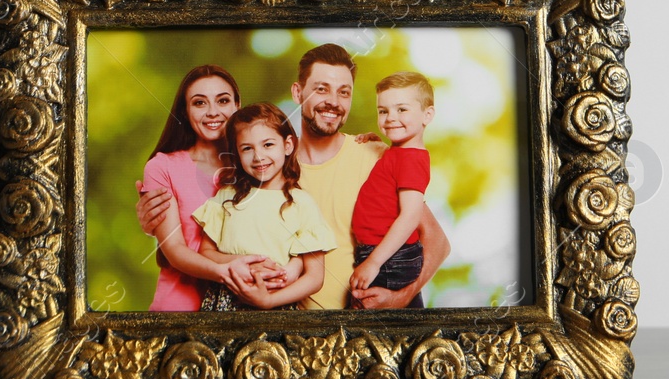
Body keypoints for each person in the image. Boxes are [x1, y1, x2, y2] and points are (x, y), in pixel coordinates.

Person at [137, 42, 449, 308]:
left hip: (356, 322)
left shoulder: (375, 156)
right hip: (292, 330)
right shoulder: (268, 167)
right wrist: (153, 226)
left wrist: (401, 298)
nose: (333, 102)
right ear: (298, 92)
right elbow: (219, 227)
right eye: (321, 89)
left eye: (344, 92)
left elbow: (435, 241)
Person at [134, 66, 285, 310]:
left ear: (237, 105)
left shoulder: (259, 163)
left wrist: (368, 141)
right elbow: (174, 249)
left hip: (246, 309)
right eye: (199, 103)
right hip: (181, 308)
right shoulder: (162, 167)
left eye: (223, 100)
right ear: (185, 111)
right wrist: (225, 271)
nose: (212, 112)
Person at [190, 103, 336, 309]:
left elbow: (314, 277)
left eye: (268, 145)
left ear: (287, 146)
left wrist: (269, 301)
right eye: (247, 148)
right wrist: (241, 262)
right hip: (225, 304)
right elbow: (206, 252)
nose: (258, 156)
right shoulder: (226, 196)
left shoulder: (302, 204)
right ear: (237, 154)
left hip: (278, 304)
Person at [348, 72, 434, 308]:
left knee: (374, 320)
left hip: (389, 258)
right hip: (386, 255)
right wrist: (382, 143)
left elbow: (410, 216)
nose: (390, 118)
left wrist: (374, 262)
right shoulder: (400, 153)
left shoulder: (411, 160)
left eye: (402, 110)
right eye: (383, 111)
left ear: (427, 115)